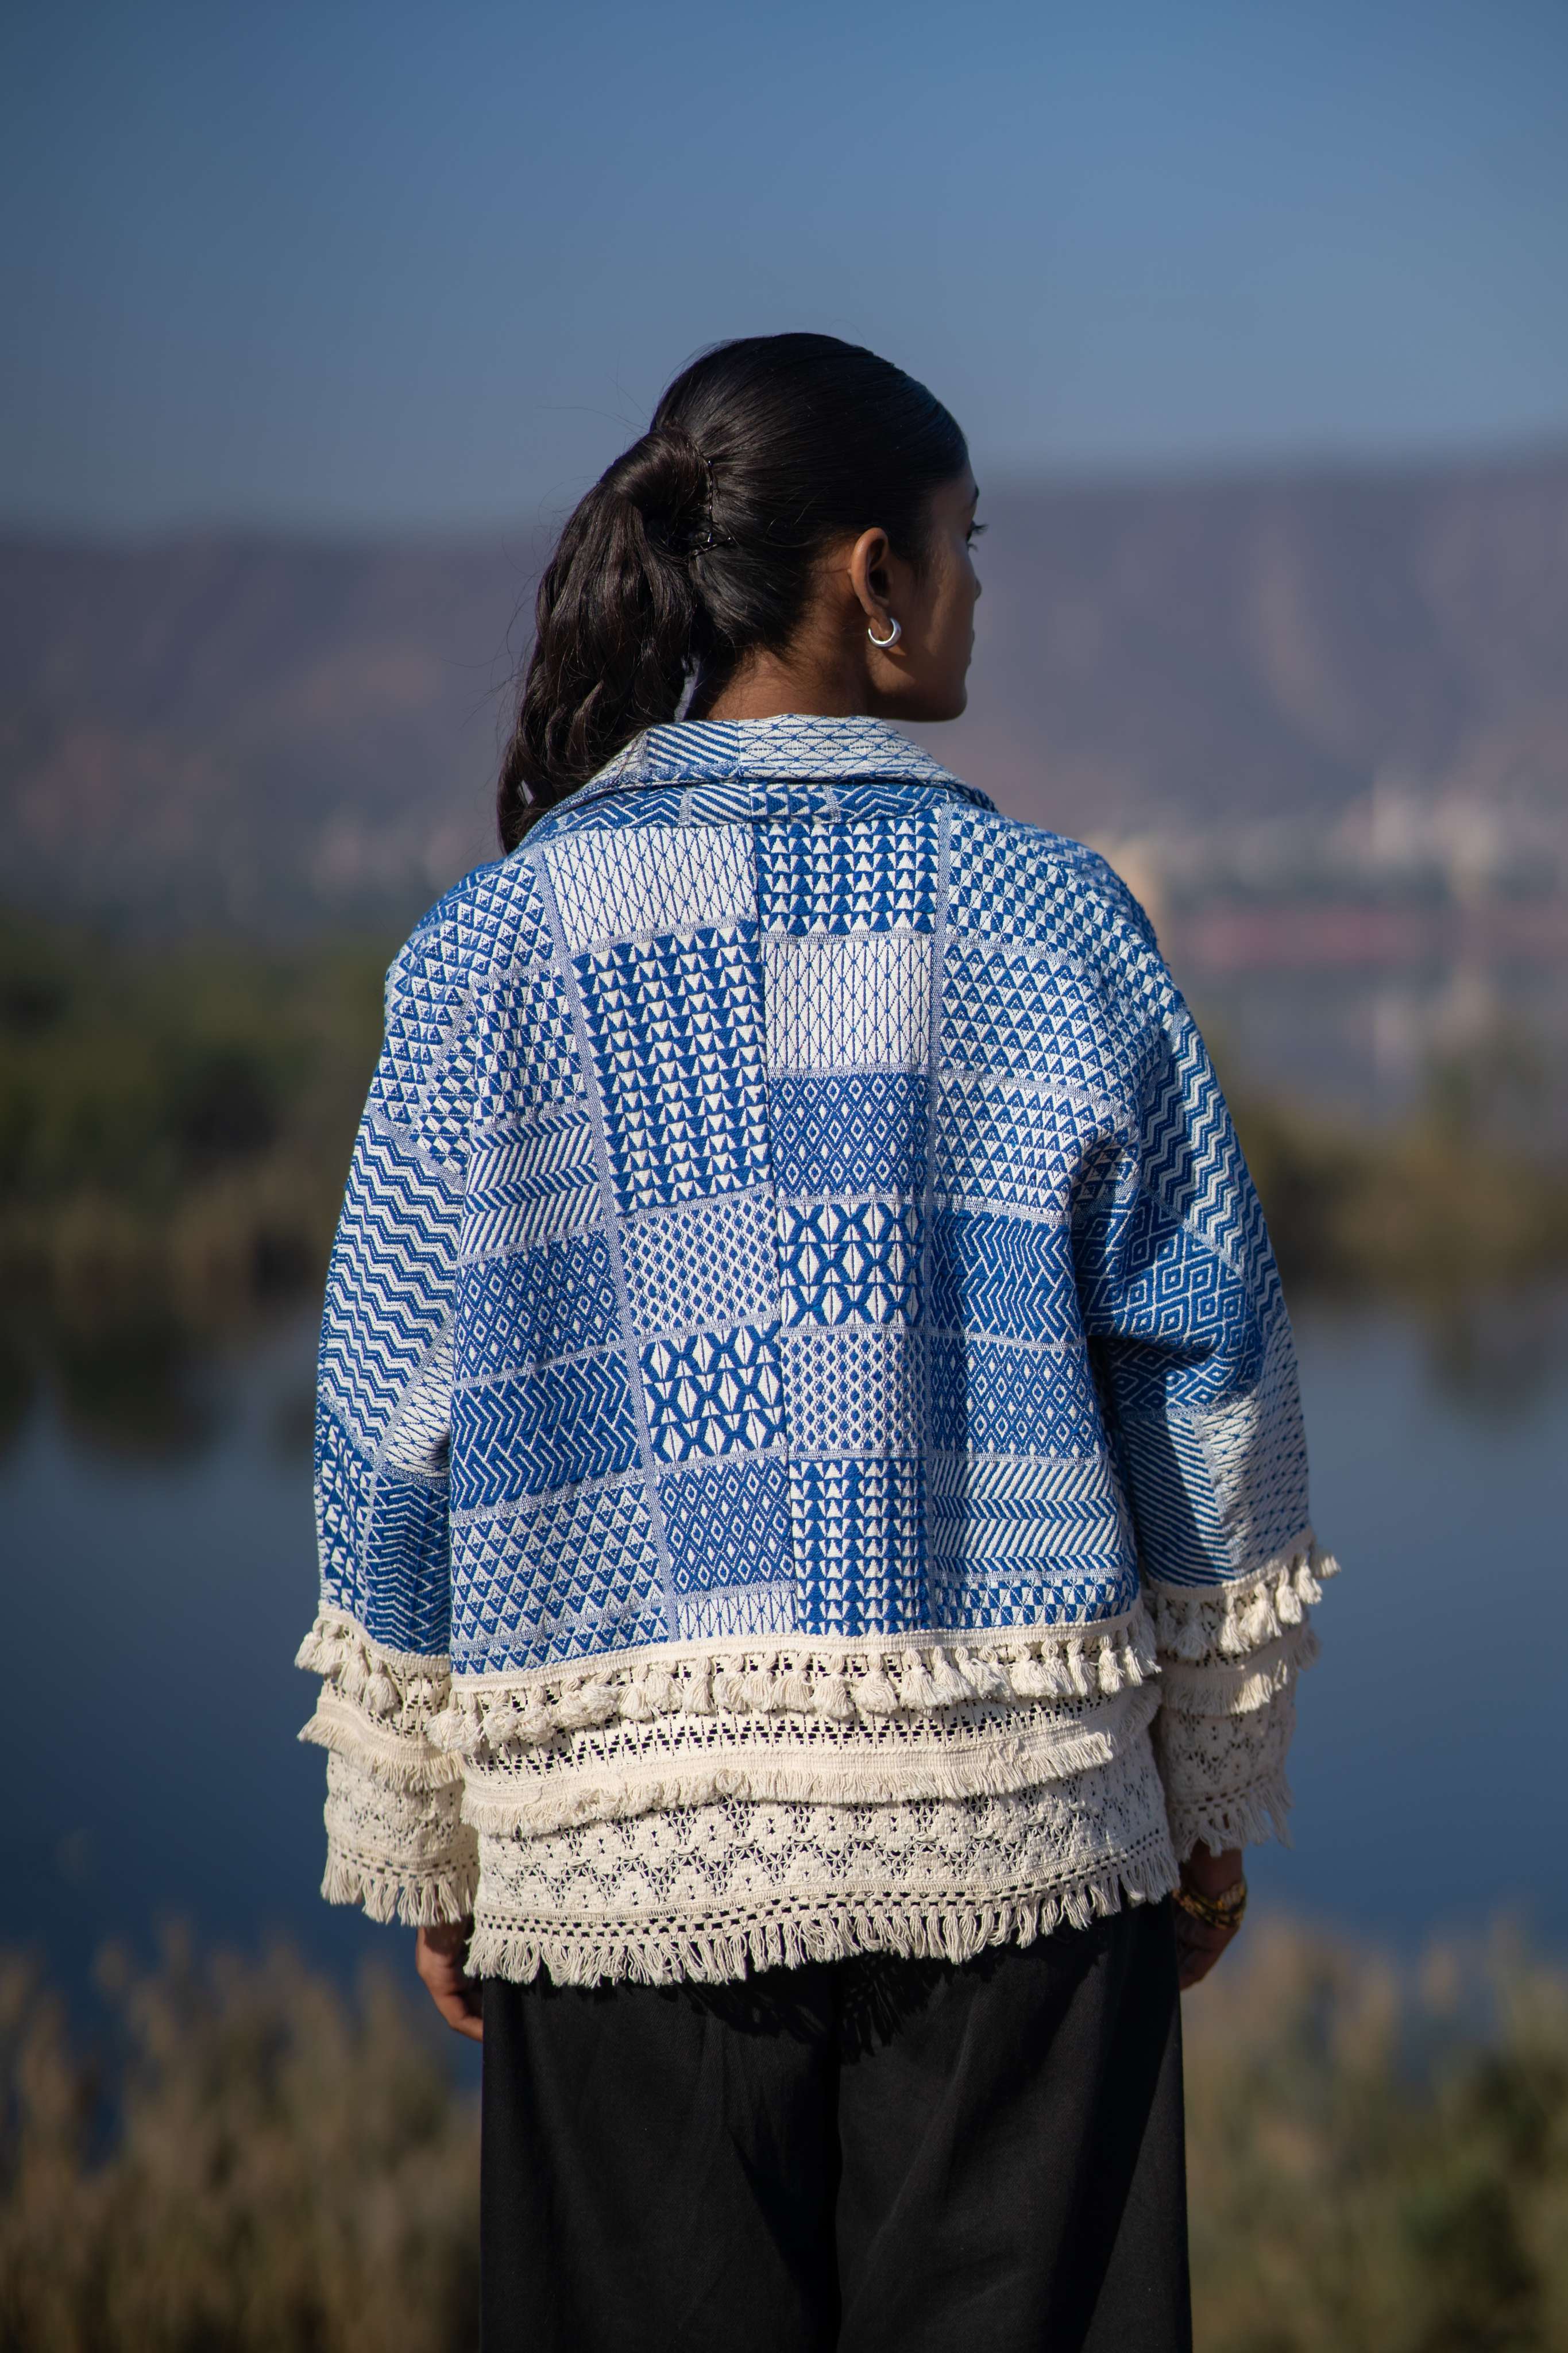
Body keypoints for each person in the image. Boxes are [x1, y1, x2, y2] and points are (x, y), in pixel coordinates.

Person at [295, 332, 1335, 2351]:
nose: (973, 596)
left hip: (621, 1878)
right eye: (964, 550)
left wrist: (428, 1820)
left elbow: (391, 1430)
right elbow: (1208, 1370)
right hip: (1022, 1869)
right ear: (872, 579)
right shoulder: (1055, 924)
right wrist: (1209, 1784)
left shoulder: (487, 951)